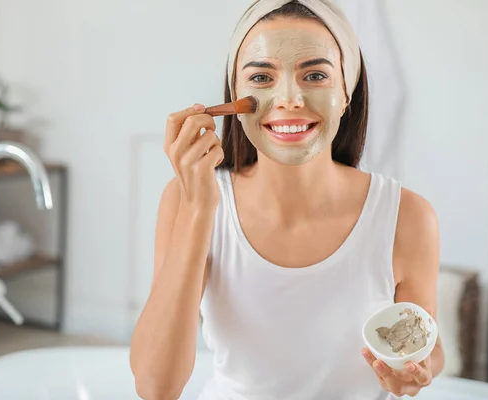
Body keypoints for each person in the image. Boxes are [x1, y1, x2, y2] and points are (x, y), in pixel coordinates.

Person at [130, 1, 444, 399]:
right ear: (235, 97)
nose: (289, 99)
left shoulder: (407, 216)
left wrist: (417, 369)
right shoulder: (185, 198)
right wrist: (198, 209)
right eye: (262, 77)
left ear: (347, 91)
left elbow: (427, 344)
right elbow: (156, 387)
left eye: (314, 75)